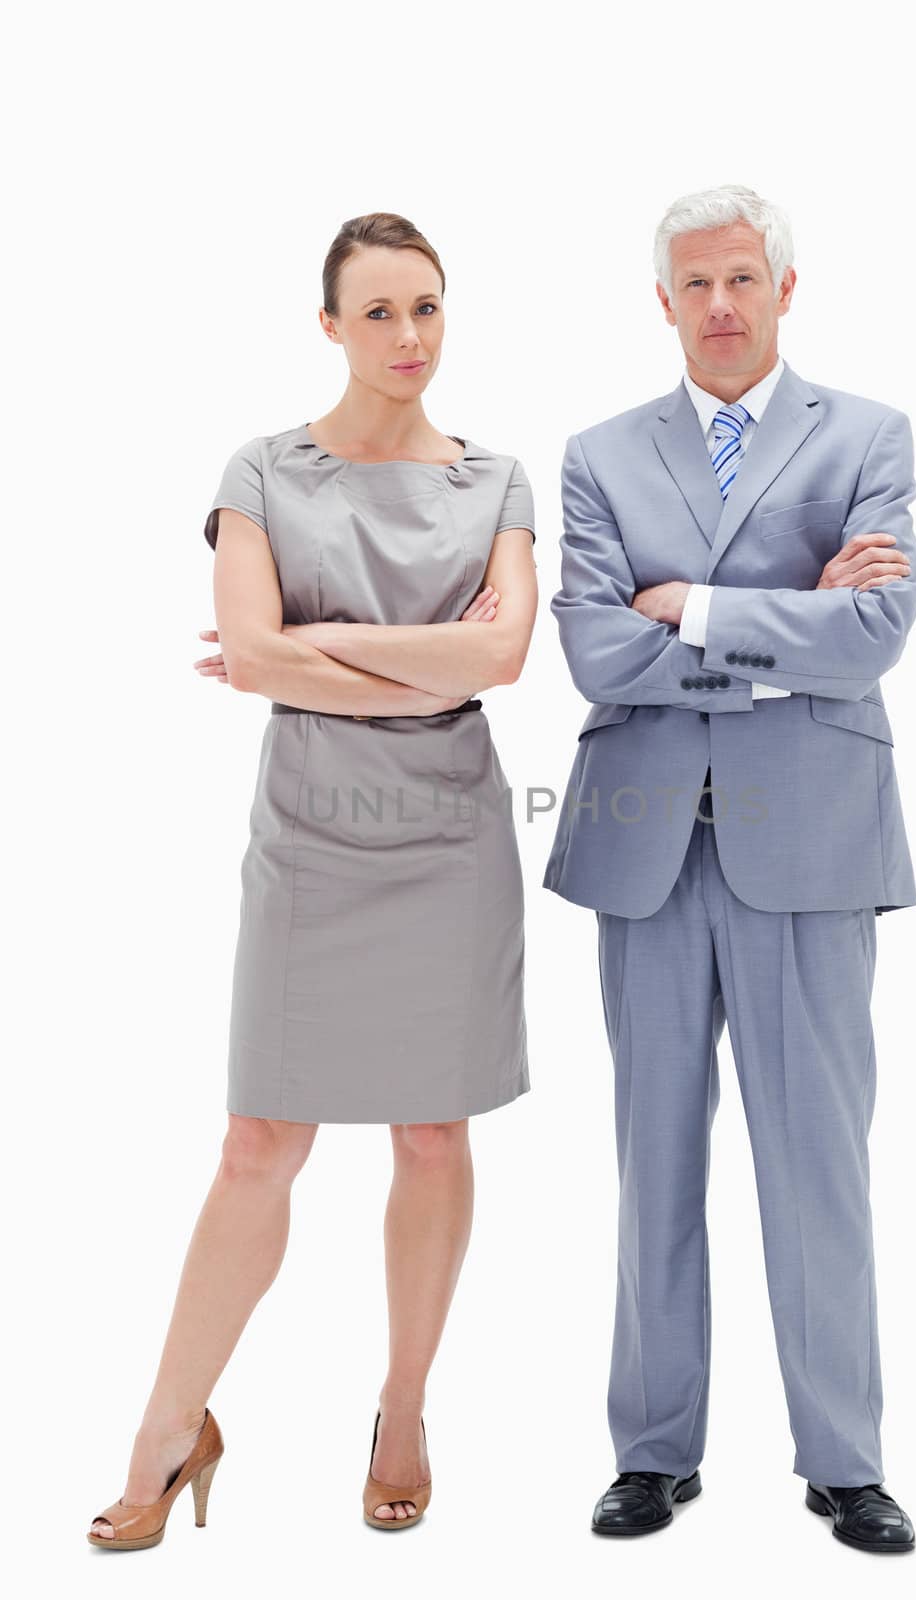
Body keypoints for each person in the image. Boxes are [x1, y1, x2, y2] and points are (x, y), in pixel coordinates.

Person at [87, 212, 538, 1548]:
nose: (410, 337)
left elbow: (505, 659)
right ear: (330, 324)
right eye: (382, 311)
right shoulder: (263, 471)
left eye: (430, 309)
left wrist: (319, 639)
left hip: (453, 844)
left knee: (432, 1133)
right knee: (257, 1144)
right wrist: (415, 658)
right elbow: (249, 654)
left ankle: (402, 1410)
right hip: (310, 843)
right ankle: (167, 1429)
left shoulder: (497, 477)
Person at [543, 183, 916, 1553]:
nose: (718, 305)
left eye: (741, 281)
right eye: (693, 284)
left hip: (812, 843)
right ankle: (653, 1452)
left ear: (783, 290)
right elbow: (596, 650)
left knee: (818, 1160)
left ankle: (845, 1458)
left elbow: (874, 631)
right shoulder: (597, 455)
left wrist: (692, 606)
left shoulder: (868, 436)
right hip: (644, 841)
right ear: (663, 301)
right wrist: (787, 623)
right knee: (653, 1160)